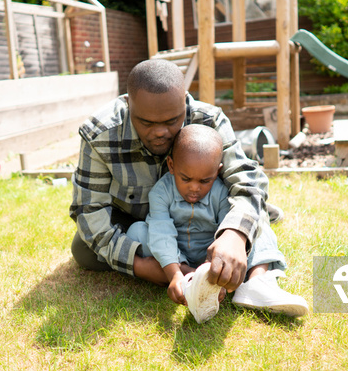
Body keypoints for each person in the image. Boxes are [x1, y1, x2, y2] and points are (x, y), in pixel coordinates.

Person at [69, 58, 300, 310]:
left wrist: (234, 235)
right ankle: (187, 270)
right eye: (146, 122)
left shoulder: (209, 120)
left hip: (206, 218)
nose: (160, 132)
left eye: (172, 121)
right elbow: (88, 210)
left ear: (185, 102)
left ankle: (257, 284)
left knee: (252, 216)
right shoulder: (99, 134)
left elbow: (247, 182)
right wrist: (145, 268)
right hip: (135, 217)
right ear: (128, 103)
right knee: (84, 249)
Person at [126, 124, 308, 321]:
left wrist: (216, 265)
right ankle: (190, 278)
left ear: (217, 171)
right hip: (177, 254)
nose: (194, 188)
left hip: (214, 253)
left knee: (257, 225)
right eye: (186, 179)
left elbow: (228, 231)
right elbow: (161, 233)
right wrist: (174, 274)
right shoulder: (161, 192)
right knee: (138, 232)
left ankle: (257, 282)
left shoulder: (221, 192)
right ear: (171, 165)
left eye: (205, 181)